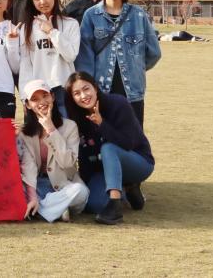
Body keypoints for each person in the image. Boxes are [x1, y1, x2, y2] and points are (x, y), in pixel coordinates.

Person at [75, 0, 162, 126]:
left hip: (133, 91)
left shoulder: (138, 15)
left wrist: (136, 67)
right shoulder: (91, 15)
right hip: (101, 91)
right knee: (104, 135)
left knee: (133, 137)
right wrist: (89, 87)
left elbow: (154, 52)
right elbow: (84, 56)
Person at [65, 72, 154, 224]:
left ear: (95, 87)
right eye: (77, 93)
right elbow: (84, 156)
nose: (83, 96)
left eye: (86, 89)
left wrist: (101, 124)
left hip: (139, 162)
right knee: (95, 204)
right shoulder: (78, 118)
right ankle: (127, 189)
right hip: (105, 169)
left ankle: (115, 206)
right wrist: (85, 186)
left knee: (108, 148)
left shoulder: (118, 104)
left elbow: (127, 143)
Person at [17, 79, 89, 223]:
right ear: (28, 105)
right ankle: (55, 209)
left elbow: (67, 163)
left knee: (81, 192)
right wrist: (33, 196)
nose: (42, 102)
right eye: (35, 99)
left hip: (64, 186)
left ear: (53, 97)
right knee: (14, 188)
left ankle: (40, 210)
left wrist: (51, 129)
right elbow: (28, 168)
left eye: (45, 96)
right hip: (37, 185)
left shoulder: (70, 126)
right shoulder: (24, 133)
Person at [6, 0, 79, 115]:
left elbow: (70, 56)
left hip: (64, 87)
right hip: (38, 91)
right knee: (42, 128)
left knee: (67, 126)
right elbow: (24, 65)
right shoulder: (27, 28)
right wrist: (25, 95)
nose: (42, 1)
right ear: (31, 1)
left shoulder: (70, 23)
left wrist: (52, 32)